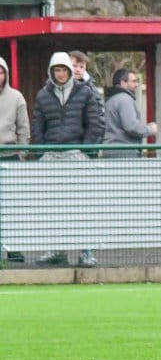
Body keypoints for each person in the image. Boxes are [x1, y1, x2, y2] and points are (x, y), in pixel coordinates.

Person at [32, 51, 105, 267]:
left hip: (76, 155)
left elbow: (95, 124)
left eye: (64, 69)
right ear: (51, 71)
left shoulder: (85, 93)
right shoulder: (42, 95)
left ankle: (86, 251)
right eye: (57, 70)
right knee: (52, 206)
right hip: (51, 156)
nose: (61, 74)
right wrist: (42, 152)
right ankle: (56, 249)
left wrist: (86, 151)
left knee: (83, 204)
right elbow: (37, 126)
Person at [0, 55, 30, 263]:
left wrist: (22, 152)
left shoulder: (17, 97)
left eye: (1, 72)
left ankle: (14, 248)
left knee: (13, 206)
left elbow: (24, 128)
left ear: (6, 74)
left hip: (10, 156)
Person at [102, 68, 157, 158]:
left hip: (110, 150)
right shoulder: (124, 99)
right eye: (133, 81)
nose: (136, 84)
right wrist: (150, 129)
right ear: (123, 83)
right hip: (124, 152)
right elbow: (131, 127)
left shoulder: (110, 100)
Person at [70, 50, 105, 122]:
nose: (78, 69)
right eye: (74, 66)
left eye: (81, 67)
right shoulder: (57, 87)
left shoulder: (91, 88)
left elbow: (100, 112)